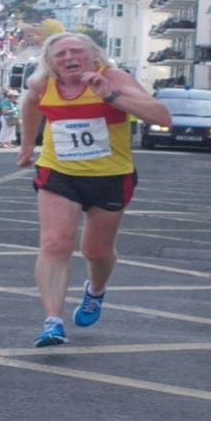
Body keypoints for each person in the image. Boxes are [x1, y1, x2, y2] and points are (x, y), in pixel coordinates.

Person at [17, 32, 171, 347]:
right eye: (60, 53)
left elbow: (162, 117)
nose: (69, 58)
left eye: (77, 51)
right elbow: (31, 108)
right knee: (55, 243)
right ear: (50, 61)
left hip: (111, 175)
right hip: (58, 172)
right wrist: (26, 146)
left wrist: (110, 96)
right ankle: (52, 322)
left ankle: (96, 291)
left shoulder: (113, 77)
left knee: (96, 251)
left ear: (93, 56)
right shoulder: (41, 85)